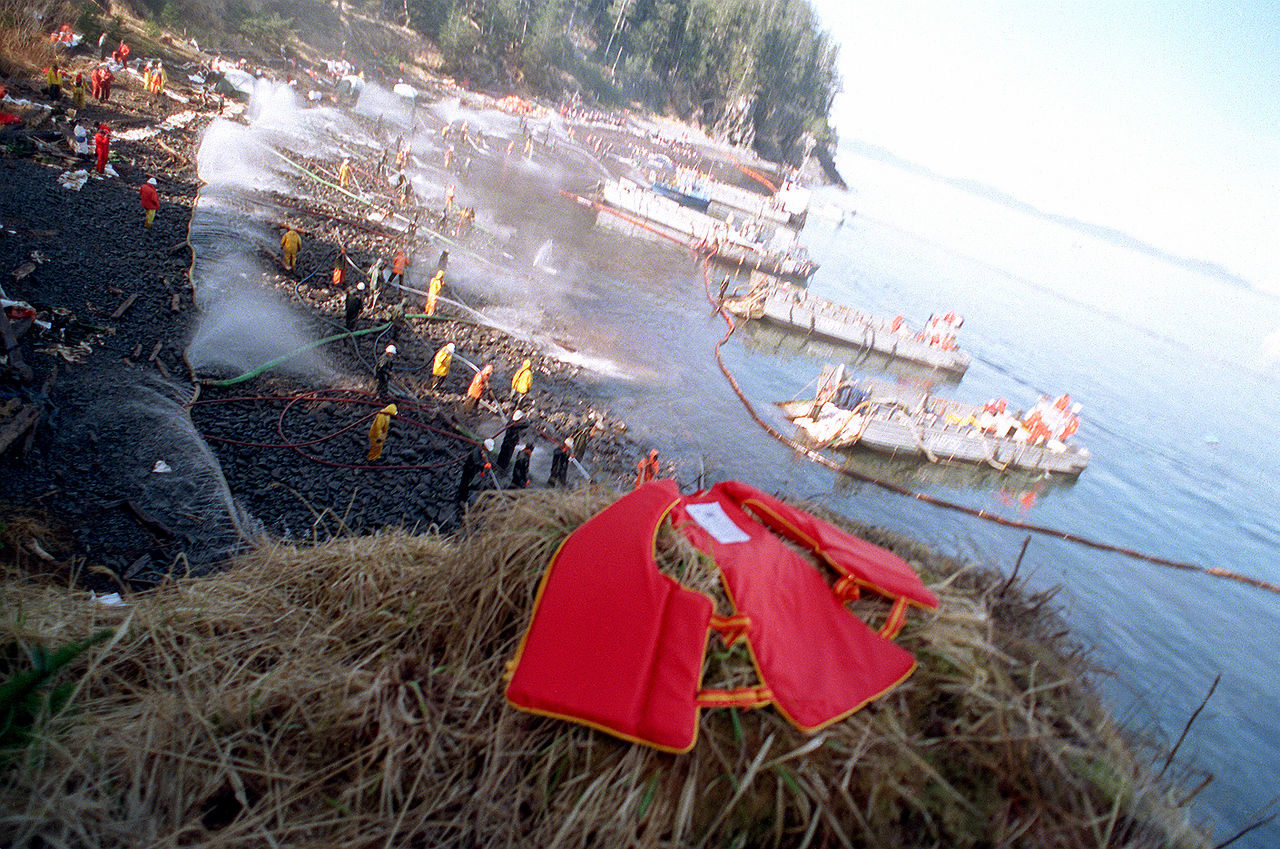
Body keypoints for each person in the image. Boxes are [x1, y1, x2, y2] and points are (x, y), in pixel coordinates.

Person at [455, 438, 493, 505]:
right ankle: (462, 498)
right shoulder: (475, 453)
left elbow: (485, 460)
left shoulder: (484, 451)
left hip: (474, 470)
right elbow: (476, 462)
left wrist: (482, 471)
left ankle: (463, 495)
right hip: (469, 469)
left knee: (469, 481)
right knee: (465, 483)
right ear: (484, 446)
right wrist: (484, 466)